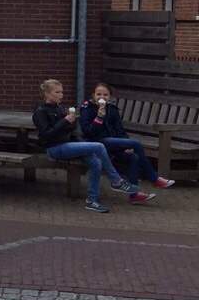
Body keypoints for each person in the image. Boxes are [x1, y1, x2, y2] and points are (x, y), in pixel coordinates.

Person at [32, 78, 138, 213]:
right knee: (99, 146)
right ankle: (117, 181)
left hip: (70, 144)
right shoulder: (40, 111)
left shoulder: (60, 108)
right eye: (57, 92)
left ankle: (92, 201)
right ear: (47, 94)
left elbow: (71, 130)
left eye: (62, 92)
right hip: (54, 148)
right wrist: (65, 121)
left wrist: (72, 121)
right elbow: (46, 134)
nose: (61, 95)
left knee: (96, 163)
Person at [80, 82, 174, 198]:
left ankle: (134, 195)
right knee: (136, 143)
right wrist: (99, 117)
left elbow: (120, 131)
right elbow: (87, 132)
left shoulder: (112, 109)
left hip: (113, 143)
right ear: (93, 95)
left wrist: (125, 145)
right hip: (97, 142)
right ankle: (154, 178)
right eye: (98, 94)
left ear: (110, 97)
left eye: (105, 95)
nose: (102, 97)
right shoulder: (87, 108)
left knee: (133, 157)